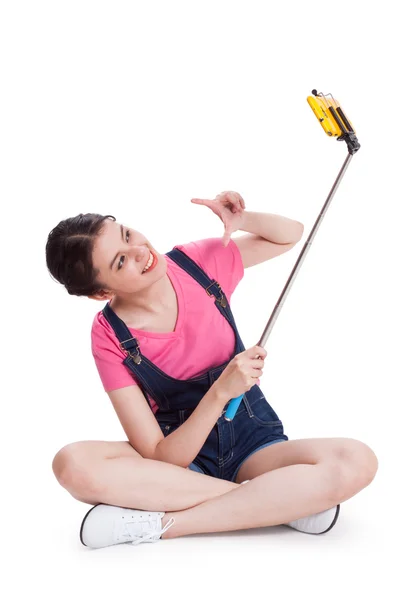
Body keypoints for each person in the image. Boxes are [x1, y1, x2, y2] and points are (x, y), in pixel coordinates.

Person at [46, 191, 378, 549]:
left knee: (357, 460)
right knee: (72, 464)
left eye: (126, 235)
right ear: (101, 292)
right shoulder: (110, 336)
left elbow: (291, 234)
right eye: (120, 260)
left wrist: (242, 221)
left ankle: (166, 525)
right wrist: (221, 391)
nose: (140, 251)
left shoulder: (195, 263)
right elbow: (161, 456)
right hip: (183, 469)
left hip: (255, 447)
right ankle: (278, 504)